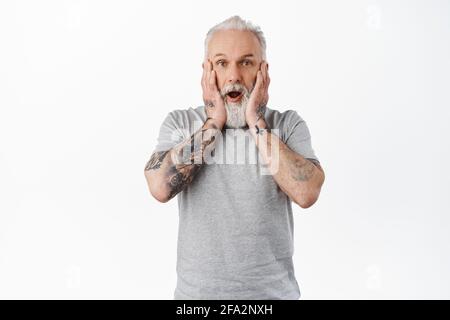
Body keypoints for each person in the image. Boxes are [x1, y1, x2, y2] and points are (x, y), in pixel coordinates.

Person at [144, 15, 325, 300]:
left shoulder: (288, 125)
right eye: (221, 63)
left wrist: (255, 120)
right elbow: (160, 187)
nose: (234, 76)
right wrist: (214, 122)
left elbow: (306, 193)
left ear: (262, 71)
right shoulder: (180, 123)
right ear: (207, 71)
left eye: (246, 62)